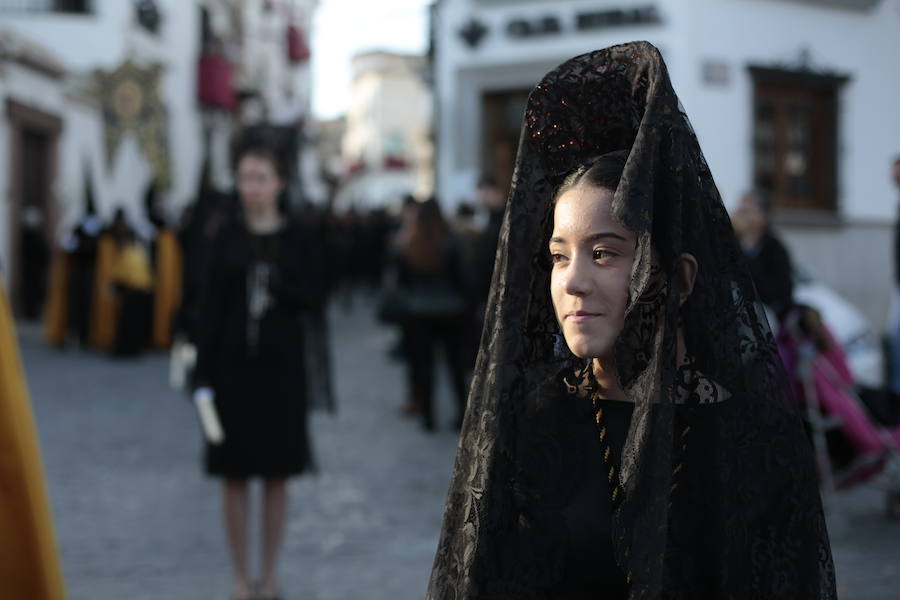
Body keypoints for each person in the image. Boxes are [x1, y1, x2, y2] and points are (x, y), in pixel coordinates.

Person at [427, 42, 835, 599]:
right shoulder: (531, 415)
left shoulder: (745, 438)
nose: (573, 281)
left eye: (604, 253)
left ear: (682, 278)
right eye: (559, 255)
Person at [193, 144, 321, 600]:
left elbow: (313, 296)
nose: (252, 187)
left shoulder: (297, 238)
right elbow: (206, 307)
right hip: (231, 372)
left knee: (275, 474)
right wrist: (200, 372)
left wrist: (279, 282)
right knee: (233, 474)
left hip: (280, 373)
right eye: (245, 177)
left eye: (260, 177)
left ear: (278, 184)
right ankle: (240, 577)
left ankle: (268, 575)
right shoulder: (222, 236)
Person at [389, 199, 470, 431]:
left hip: (418, 313)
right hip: (450, 311)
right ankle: (460, 414)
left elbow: (402, 282)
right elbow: (461, 279)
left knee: (424, 366)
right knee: (454, 365)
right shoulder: (451, 242)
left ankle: (428, 416)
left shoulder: (408, 244)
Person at [732, 189, 794, 322]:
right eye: (740, 210)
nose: (740, 215)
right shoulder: (731, 243)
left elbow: (780, 294)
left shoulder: (775, 249)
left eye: (747, 211)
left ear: (763, 217)